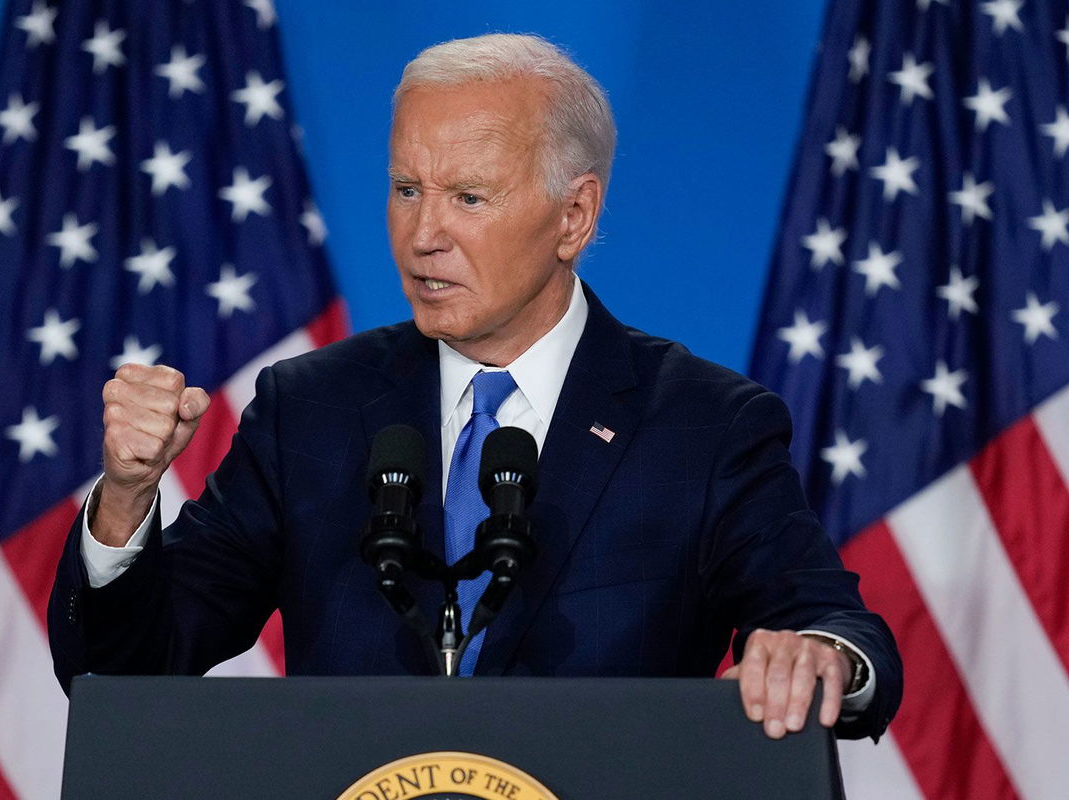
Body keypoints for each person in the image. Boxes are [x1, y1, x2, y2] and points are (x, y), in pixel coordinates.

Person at [49, 33, 901, 742]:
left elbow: (837, 628)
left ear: (575, 216)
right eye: (407, 190)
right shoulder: (309, 408)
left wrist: (817, 653)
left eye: (467, 197)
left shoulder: (703, 424)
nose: (424, 235)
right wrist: (126, 500)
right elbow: (129, 671)